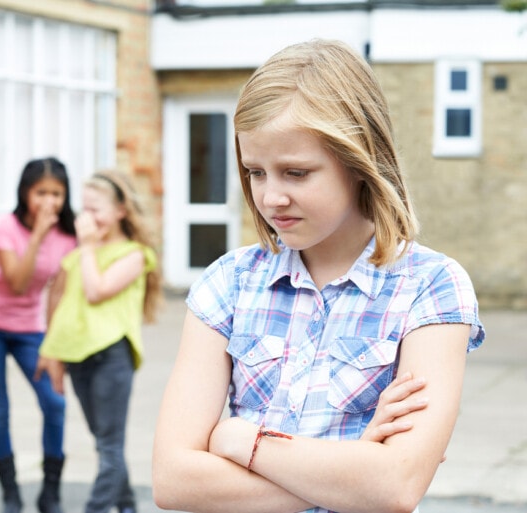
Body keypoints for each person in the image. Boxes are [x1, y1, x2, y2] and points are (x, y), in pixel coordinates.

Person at [151, 39, 485, 513]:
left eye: (296, 173)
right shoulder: (227, 283)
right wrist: (352, 471)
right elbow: (173, 481)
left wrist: (242, 440)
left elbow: (395, 487)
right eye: (255, 172)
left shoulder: (431, 288)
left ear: (359, 160)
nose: (270, 198)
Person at [36, 171, 162, 513]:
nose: (88, 219)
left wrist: (88, 248)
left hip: (111, 356)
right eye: (84, 209)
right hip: (78, 357)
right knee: (106, 444)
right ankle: (127, 506)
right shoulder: (79, 256)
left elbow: (96, 292)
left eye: (97, 209)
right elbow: (63, 306)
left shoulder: (134, 254)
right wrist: (51, 354)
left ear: (121, 210)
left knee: (108, 446)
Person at [0, 157, 77, 513]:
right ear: (25, 193)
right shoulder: (5, 226)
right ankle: (10, 493)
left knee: (55, 403)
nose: (49, 201)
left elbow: (60, 293)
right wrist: (36, 235)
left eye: (57, 193)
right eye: (41, 193)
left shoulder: (69, 236)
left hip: (29, 330)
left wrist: (56, 346)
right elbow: (18, 284)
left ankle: (50, 491)